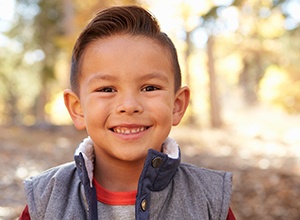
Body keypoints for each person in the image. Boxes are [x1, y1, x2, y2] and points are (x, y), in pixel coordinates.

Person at [19, 5, 236, 220]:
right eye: (107, 89)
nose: (129, 105)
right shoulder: (44, 202)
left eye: (149, 88)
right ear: (77, 109)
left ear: (177, 105)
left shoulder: (210, 201)